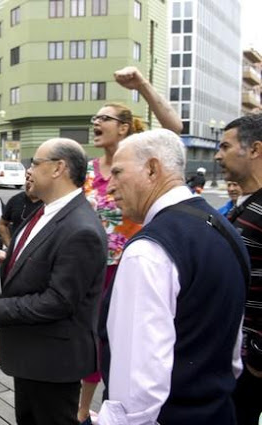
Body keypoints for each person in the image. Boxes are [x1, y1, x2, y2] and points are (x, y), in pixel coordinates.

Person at [97, 129, 247, 424]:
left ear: (152, 169)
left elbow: (138, 390)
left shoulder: (149, 250)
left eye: (117, 172)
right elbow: (232, 354)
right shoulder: (224, 228)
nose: (110, 186)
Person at [0, 138, 107, 425]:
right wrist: (7, 259)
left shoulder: (80, 228)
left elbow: (59, 300)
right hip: (32, 357)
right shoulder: (46, 210)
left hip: (53, 363)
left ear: (59, 168)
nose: (28, 169)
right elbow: (39, 260)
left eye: (34, 162)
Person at [79, 66, 183, 424]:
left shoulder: (138, 158)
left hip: (131, 265)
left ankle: (123, 407)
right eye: (95, 117)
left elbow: (175, 133)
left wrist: (142, 86)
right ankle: (83, 409)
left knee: (121, 341)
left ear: (124, 128)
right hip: (90, 268)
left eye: (104, 118)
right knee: (91, 338)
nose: (96, 122)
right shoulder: (88, 168)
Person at [215, 114, 262, 424]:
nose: (218, 155)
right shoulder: (243, 206)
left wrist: (259, 350)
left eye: (225, 146)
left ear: (255, 149)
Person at [0, 180, 42, 247]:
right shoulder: (15, 200)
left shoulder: (49, 202)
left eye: (32, 180)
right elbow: (2, 224)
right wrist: (10, 246)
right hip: (17, 249)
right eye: (27, 179)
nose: (28, 183)